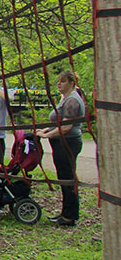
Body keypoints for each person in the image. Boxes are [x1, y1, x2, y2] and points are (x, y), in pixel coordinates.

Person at [36, 70, 85, 227]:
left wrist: (47, 136)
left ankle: (70, 216)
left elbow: (66, 127)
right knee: (64, 178)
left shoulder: (73, 100)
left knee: (68, 178)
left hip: (68, 142)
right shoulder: (66, 98)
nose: (59, 84)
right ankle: (66, 213)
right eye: (58, 81)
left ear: (71, 83)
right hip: (61, 142)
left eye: (62, 81)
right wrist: (46, 131)